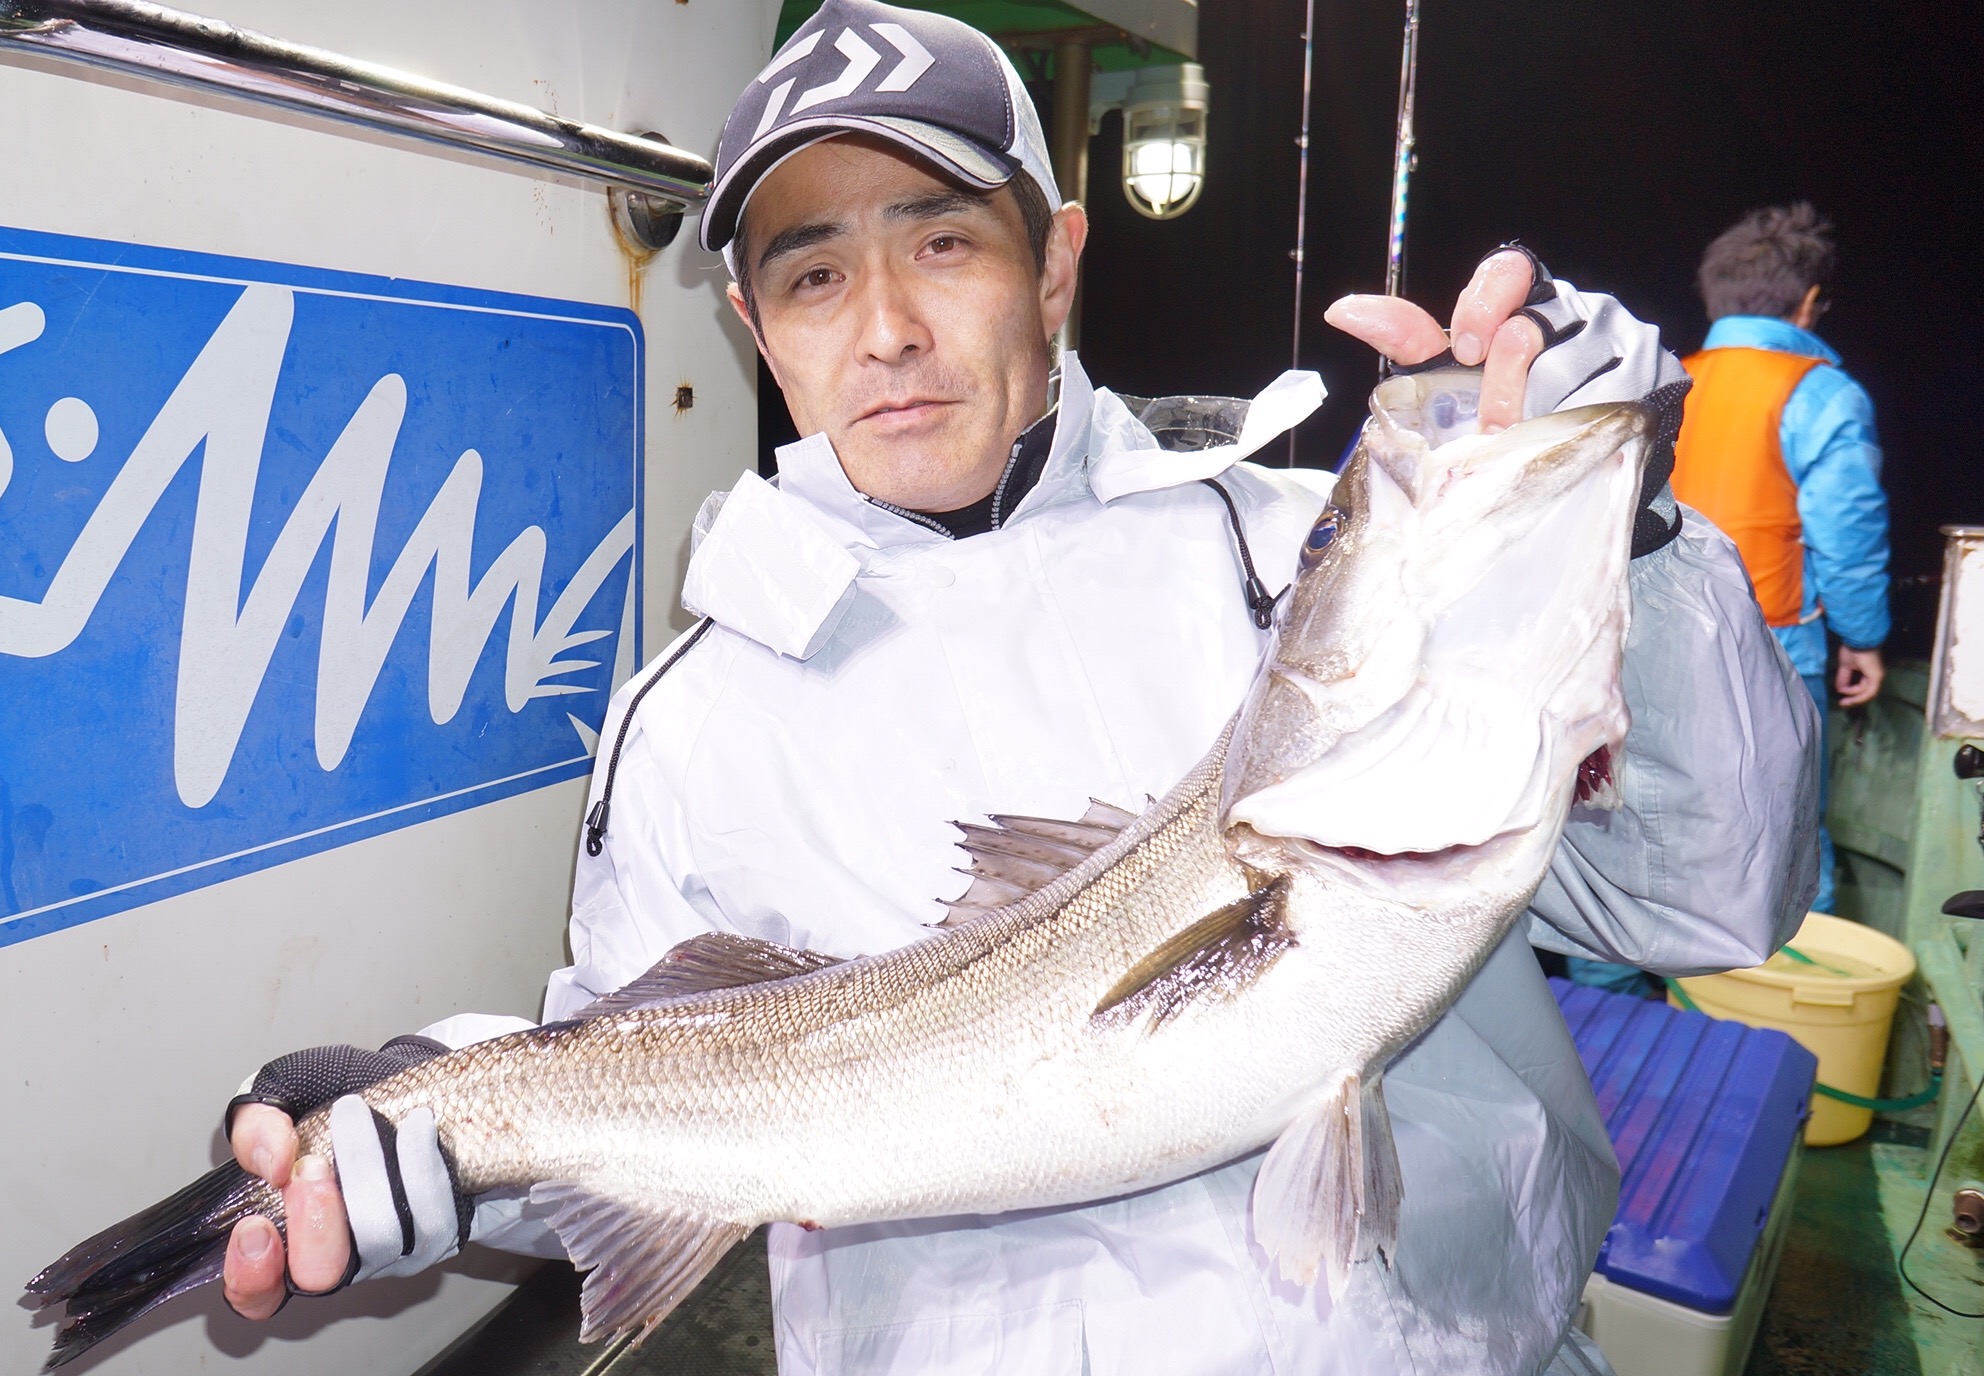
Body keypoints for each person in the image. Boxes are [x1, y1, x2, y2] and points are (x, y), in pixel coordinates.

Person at [217, 4, 1819, 1371]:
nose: (889, 331)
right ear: (758, 329)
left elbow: (1711, 897)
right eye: (815, 277)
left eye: (942, 241)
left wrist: (1627, 521)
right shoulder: (690, 720)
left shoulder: (1286, 555)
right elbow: (646, 1080)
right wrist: (421, 1126)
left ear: (1053, 265)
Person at [1671, 203, 1890, 916]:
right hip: (1769, 648)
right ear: (1808, 302)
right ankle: (1785, 980)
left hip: (1647, 643)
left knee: (1645, 833)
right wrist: (1863, 636)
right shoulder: (1821, 393)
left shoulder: (1664, 385)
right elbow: (1846, 529)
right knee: (1784, 840)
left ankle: (1616, 983)